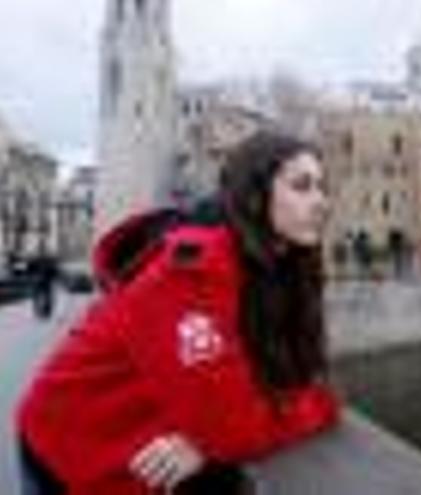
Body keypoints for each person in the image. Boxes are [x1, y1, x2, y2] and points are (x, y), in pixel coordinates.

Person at [16, 132, 341, 494]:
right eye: (302, 186)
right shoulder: (191, 270)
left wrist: (211, 437)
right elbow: (236, 427)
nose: (321, 202)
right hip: (67, 444)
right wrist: (314, 406)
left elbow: (284, 389)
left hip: (136, 439)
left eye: (321, 188)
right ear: (255, 194)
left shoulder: (271, 268)